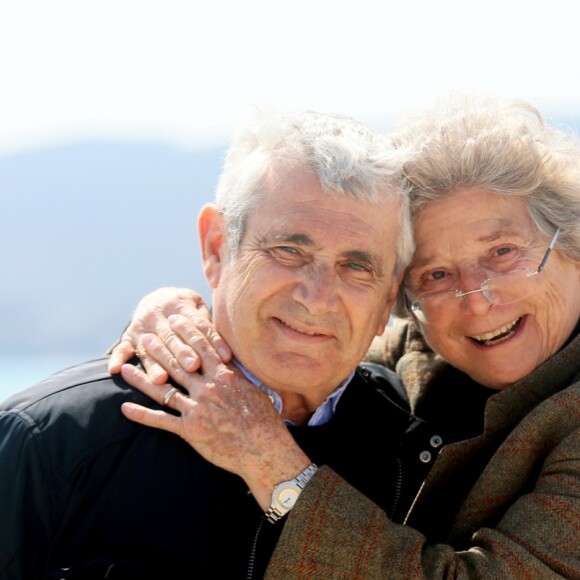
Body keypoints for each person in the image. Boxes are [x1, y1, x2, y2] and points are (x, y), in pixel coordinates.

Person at [112, 92, 580, 578]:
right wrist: (174, 321)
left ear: (571, 240)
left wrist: (271, 462)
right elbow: (292, 349)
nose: (477, 299)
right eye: (436, 275)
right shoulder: (417, 357)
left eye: (503, 252)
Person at [0, 107, 421, 579]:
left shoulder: (419, 450)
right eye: (288, 250)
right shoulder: (53, 440)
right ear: (217, 246)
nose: (318, 298)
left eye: (356, 267)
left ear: (389, 296)